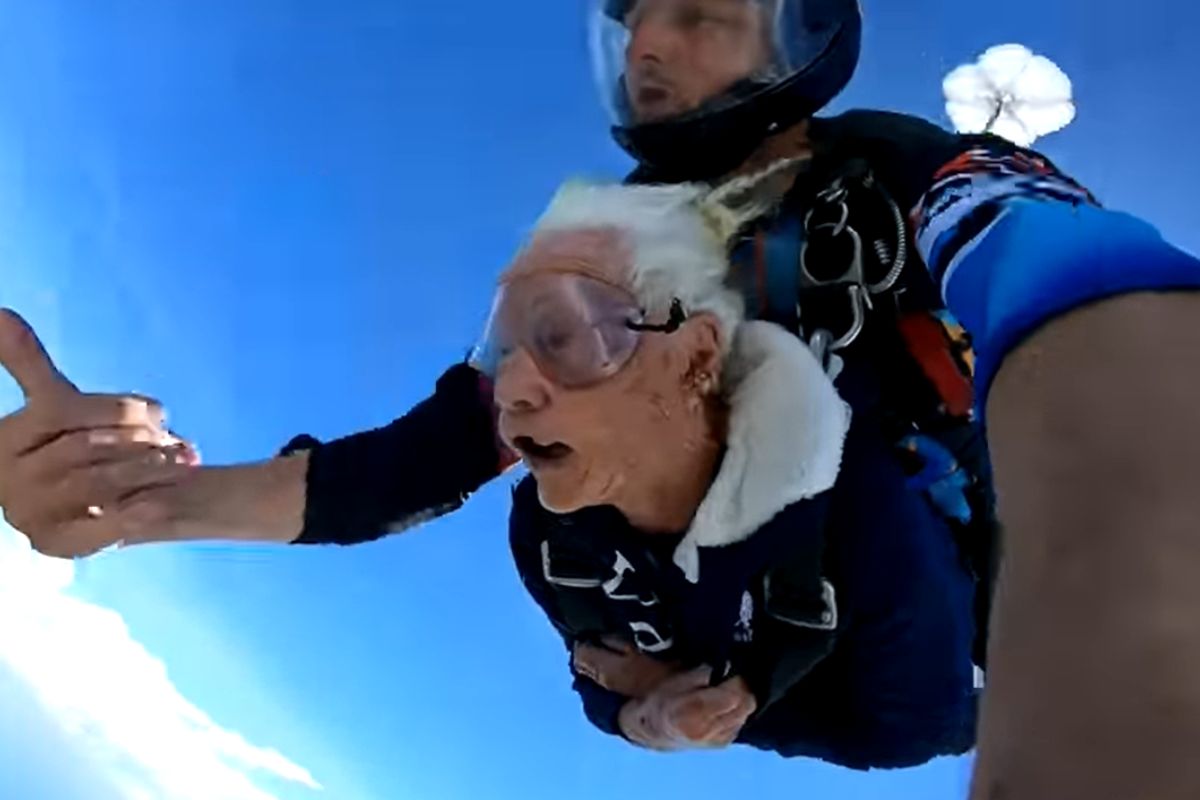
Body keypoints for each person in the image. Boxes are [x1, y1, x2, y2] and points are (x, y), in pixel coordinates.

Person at [2, 0, 1199, 794]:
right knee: (582, 561)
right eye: (630, 18)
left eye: (701, 12)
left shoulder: (898, 165)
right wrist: (133, 505)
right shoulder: (604, 240)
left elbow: (1082, 285)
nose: (647, 47)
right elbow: (414, 464)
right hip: (760, 620)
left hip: (950, 583)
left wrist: (1121, 670)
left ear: (803, 35)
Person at [488, 176, 977, 765]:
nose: (510, 389)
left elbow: (914, 728)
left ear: (694, 356)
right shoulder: (547, 534)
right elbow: (599, 675)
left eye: (567, 338)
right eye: (500, 347)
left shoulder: (855, 509)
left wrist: (734, 707)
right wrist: (648, 718)